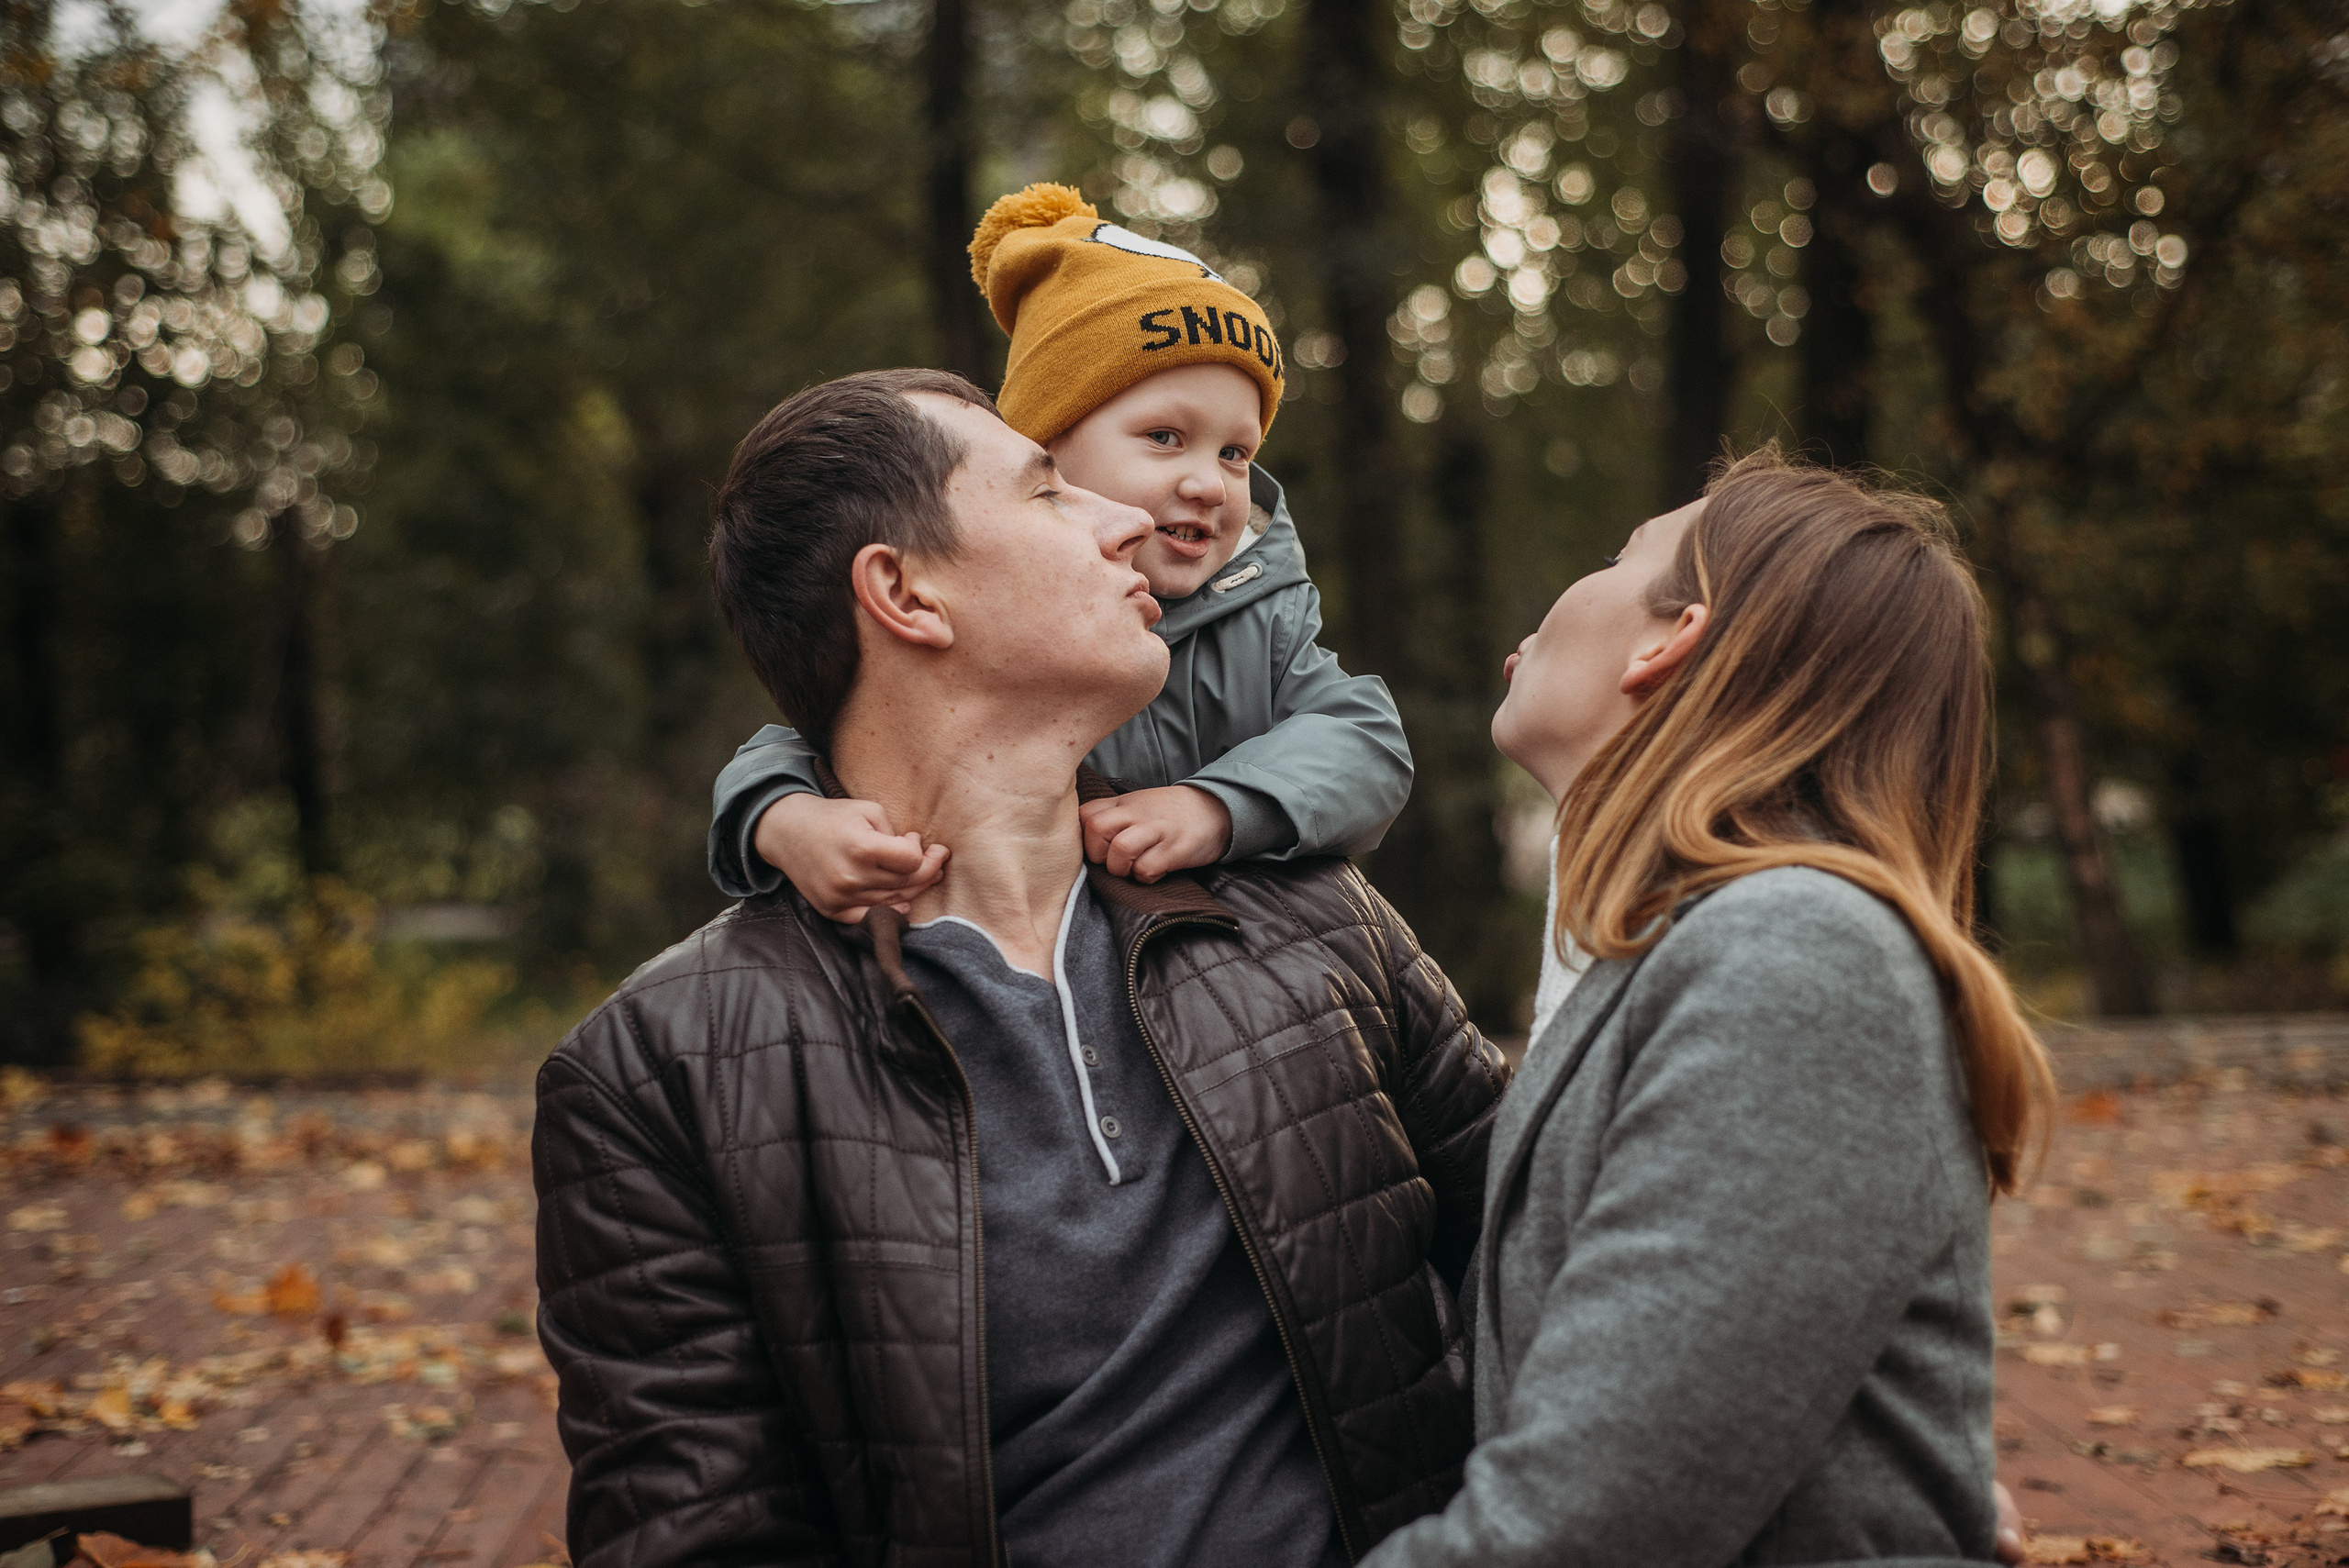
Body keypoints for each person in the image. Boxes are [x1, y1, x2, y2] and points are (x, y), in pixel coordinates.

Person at [531, 368, 1508, 1568]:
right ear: (905, 591)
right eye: (1051, 491)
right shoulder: (659, 1077)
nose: (1131, 518)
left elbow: (1550, 1265)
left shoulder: (1310, 914)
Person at [1363, 450, 2057, 1568]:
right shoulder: (1669, 949)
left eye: (1615, 555)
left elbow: (1589, 1529)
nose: (1564, 594)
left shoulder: (1793, 955)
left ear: (1669, 636)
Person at [705, 183, 1410, 919]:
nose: (1209, 483)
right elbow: (833, 732)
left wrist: (1216, 807)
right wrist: (786, 822)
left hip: (1219, 942)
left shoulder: (1258, 604)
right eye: (1165, 437)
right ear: (1045, 452)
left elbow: (1364, 739)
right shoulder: (989, 615)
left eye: (1237, 452)